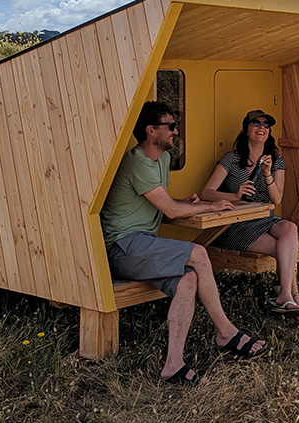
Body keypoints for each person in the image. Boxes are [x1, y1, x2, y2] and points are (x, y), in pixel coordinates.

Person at [101, 100, 266, 384]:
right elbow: (172, 212)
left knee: (188, 281)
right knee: (199, 253)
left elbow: (164, 203)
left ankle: (172, 365)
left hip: (144, 245)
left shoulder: (161, 160)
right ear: (151, 131)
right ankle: (225, 332)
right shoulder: (137, 162)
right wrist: (208, 207)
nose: (176, 131)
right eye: (170, 126)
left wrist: (184, 202)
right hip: (122, 247)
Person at [201, 109, 299, 334]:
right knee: (285, 249)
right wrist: (235, 196)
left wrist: (267, 174)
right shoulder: (232, 159)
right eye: (256, 123)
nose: (261, 128)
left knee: (290, 228)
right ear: (246, 129)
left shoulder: (275, 160)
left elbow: (276, 199)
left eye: (266, 125)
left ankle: (286, 296)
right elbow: (207, 192)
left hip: (264, 219)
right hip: (235, 223)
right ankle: (295, 305)